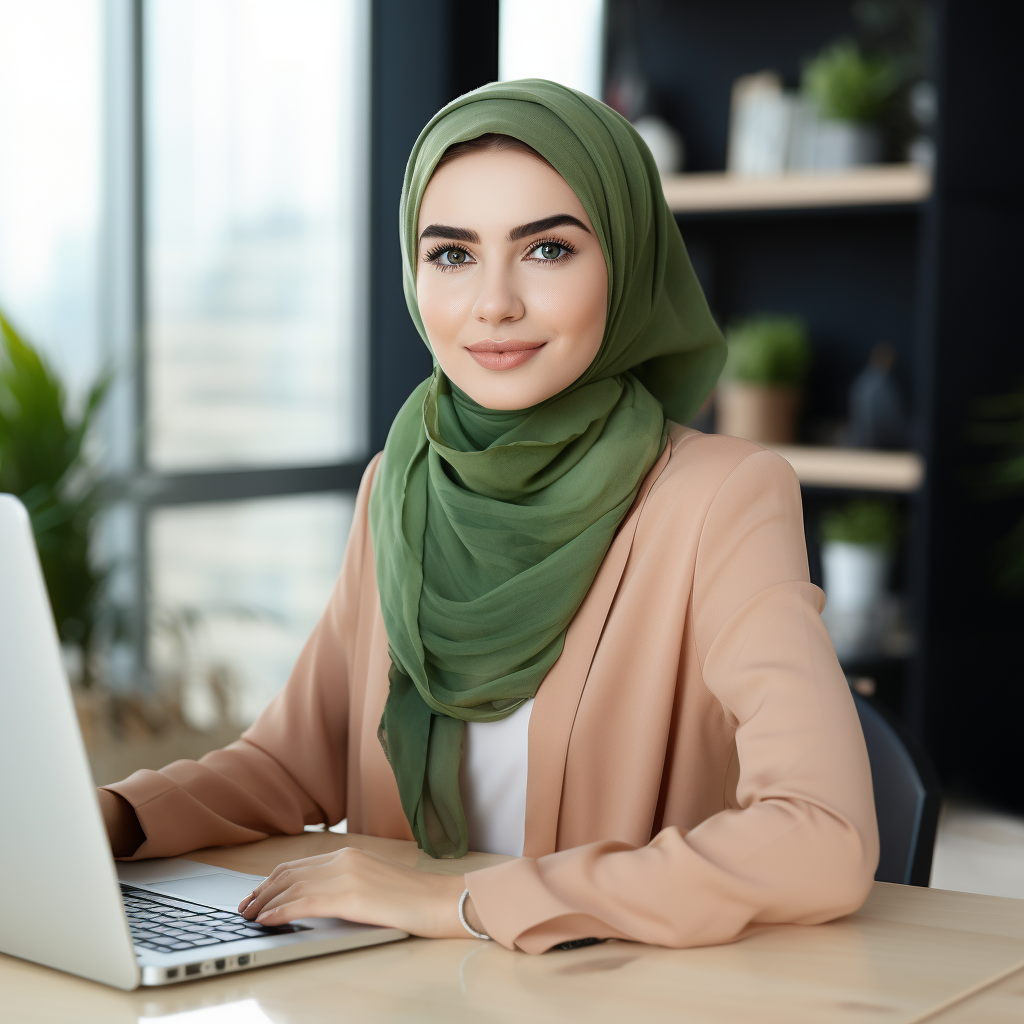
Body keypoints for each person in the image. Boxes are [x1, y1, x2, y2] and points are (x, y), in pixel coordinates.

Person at [98, 80, 878, 953]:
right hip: (390, 987)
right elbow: (293, 763)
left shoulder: (719, 499)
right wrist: (113, 818)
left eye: (547, 251)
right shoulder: (401, 481)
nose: (494, 303)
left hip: (599, 996)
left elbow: (822, 835)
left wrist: (466, 902)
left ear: (627, 264)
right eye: (453, 255)